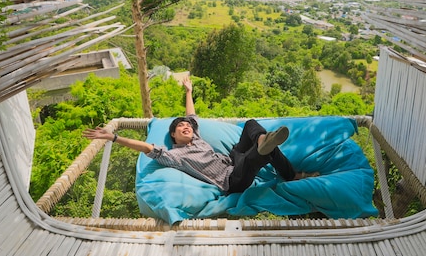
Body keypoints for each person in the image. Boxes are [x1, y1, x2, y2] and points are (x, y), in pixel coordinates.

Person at [83, 76, 312, 194]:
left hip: (233, 160)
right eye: (181, 127)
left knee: (251, 124)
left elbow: (191, 114)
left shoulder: (197, 137)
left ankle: (262, 140)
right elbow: (146, 147)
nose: (187, 127)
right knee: (259, 156)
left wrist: (189, 91)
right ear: (173, 135)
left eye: (188, 126)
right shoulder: (175, 156)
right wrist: (113, 138)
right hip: (231, 180)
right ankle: (285, 168)